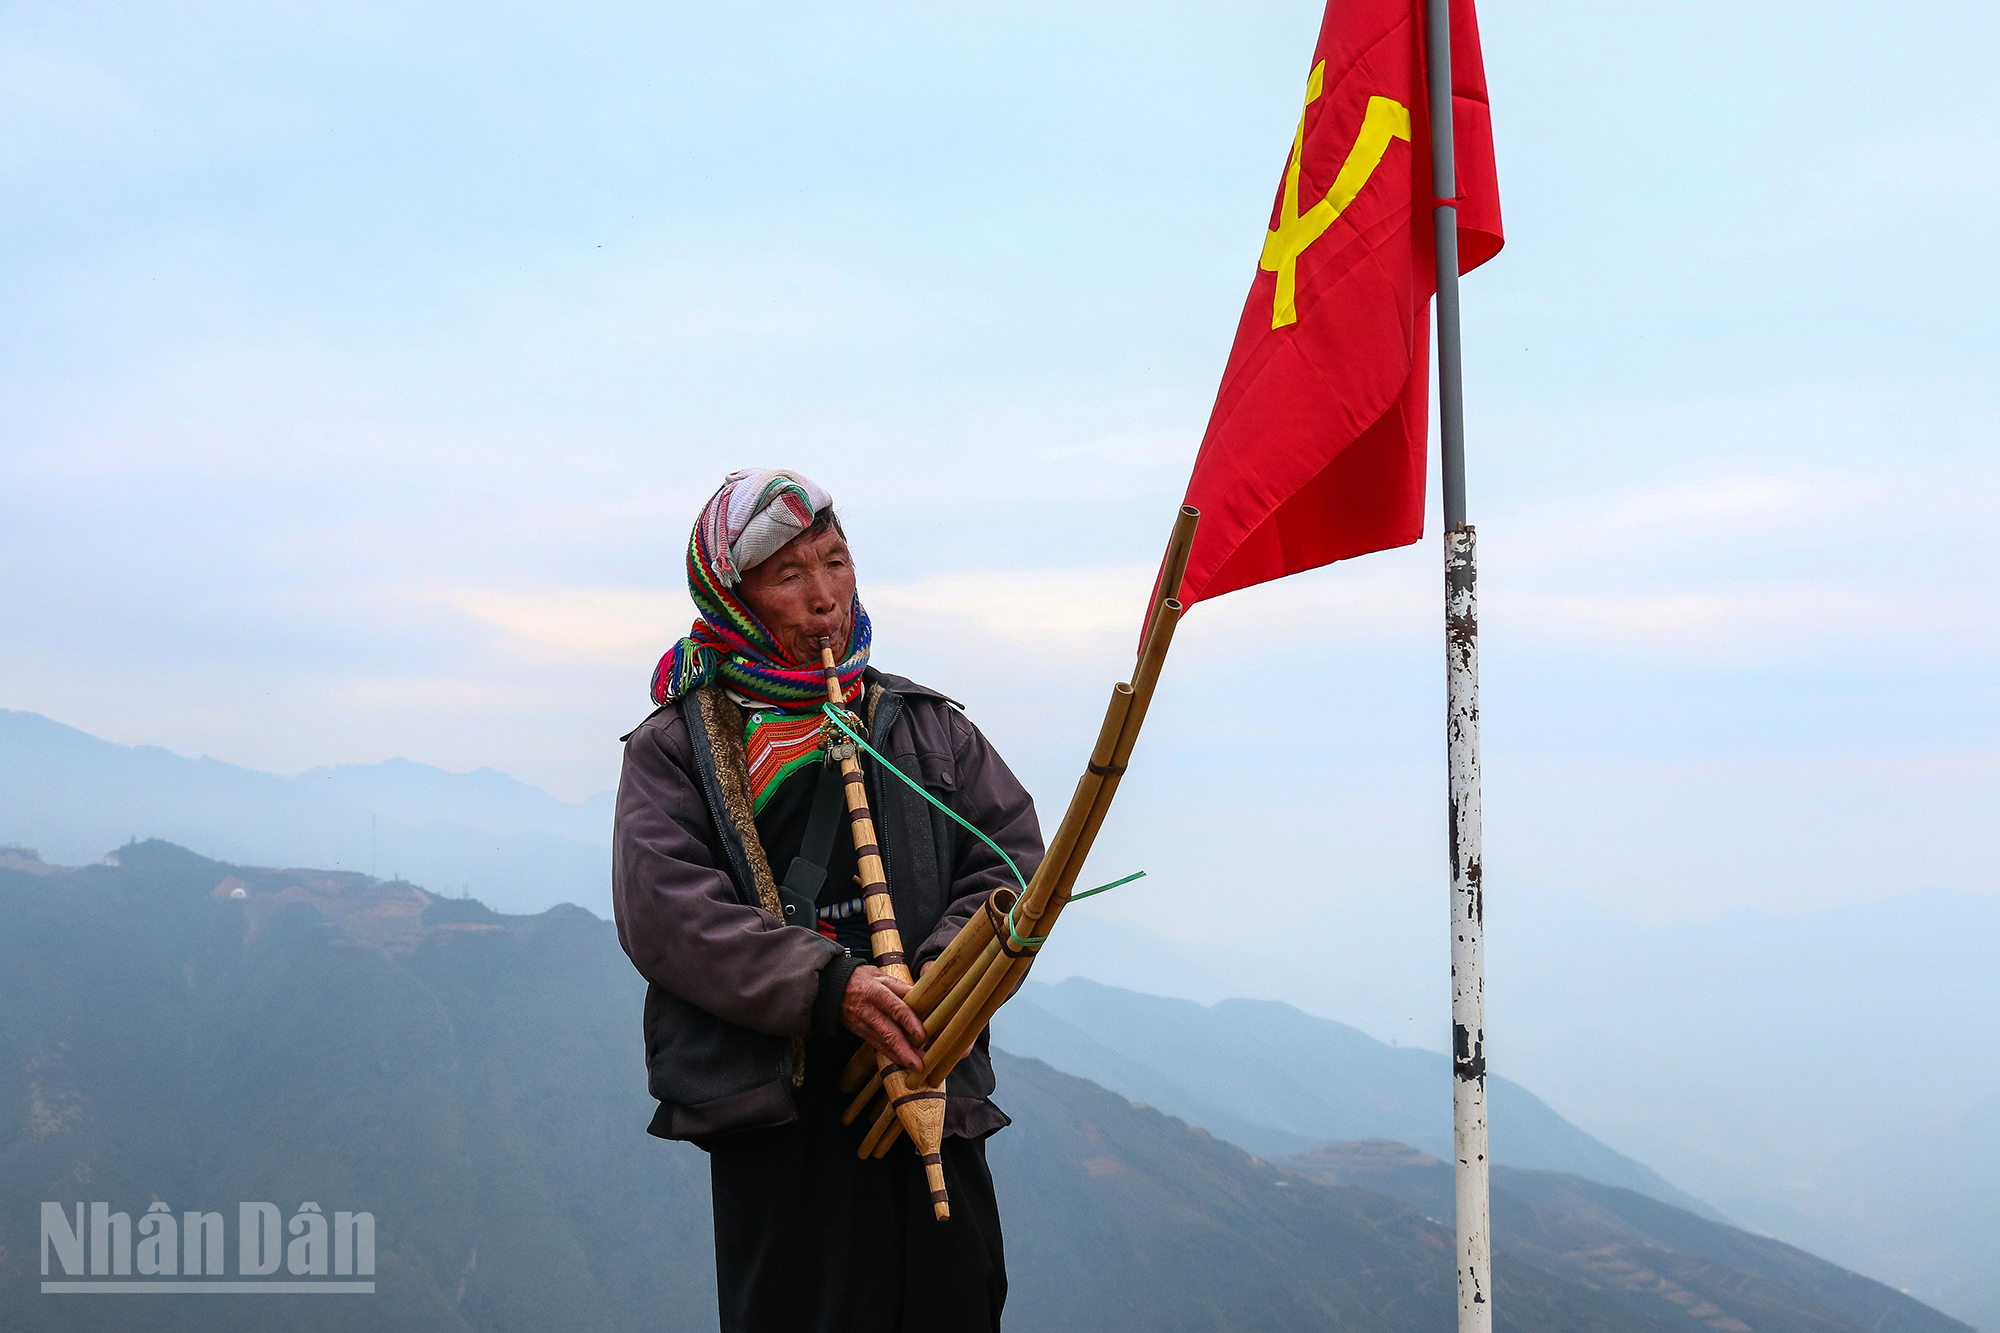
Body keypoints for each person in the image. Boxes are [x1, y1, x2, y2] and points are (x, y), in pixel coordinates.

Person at [613, 468, 1041, 1333]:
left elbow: (1010, 858)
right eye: (789, 575)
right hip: (784, 1115)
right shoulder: (678, 749)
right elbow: (667, 909)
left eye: (836, 562)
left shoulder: (925, 727)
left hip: (925, 1073)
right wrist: (831, 986)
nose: (824, 597)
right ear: (733, 598)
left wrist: (937, 980)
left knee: (954, 1298)